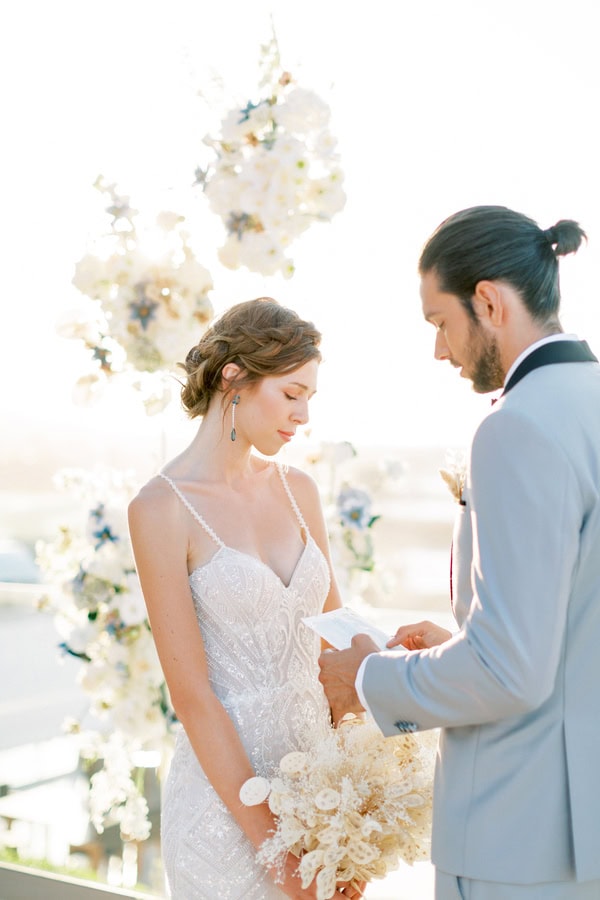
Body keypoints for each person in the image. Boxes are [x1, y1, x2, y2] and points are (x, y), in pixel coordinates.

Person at [318, 206, 600, 899]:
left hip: (517, 830)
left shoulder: (518, 428)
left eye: (440, 323)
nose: (440, 352)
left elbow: (510, 672)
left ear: (489, 301)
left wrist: (367, 677)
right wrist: (465, 642)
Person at [128, 297, 360, 899]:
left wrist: (357, 807)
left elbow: (336, 641)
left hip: (318, 792)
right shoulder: (159, 509)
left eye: (310, 397)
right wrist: (279, 853)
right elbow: (193, 696)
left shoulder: (299, 489)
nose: (304, 414)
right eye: (291, 394)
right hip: (225, 813)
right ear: (234, 377)